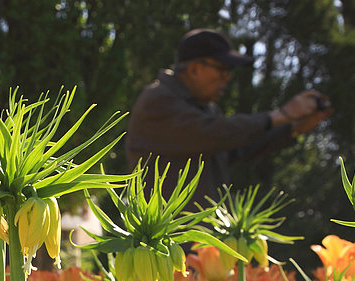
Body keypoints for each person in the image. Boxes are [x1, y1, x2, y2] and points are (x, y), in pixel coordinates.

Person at [125, 28, 334, 204]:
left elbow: (235, 148)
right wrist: (281, 115)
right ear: (196, 69)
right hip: (165, 242)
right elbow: (215, 134)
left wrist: (293, 128)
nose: (227, 79)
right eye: (222, 70)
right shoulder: (158, 100)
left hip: (199, 241)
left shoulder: (203, 107)